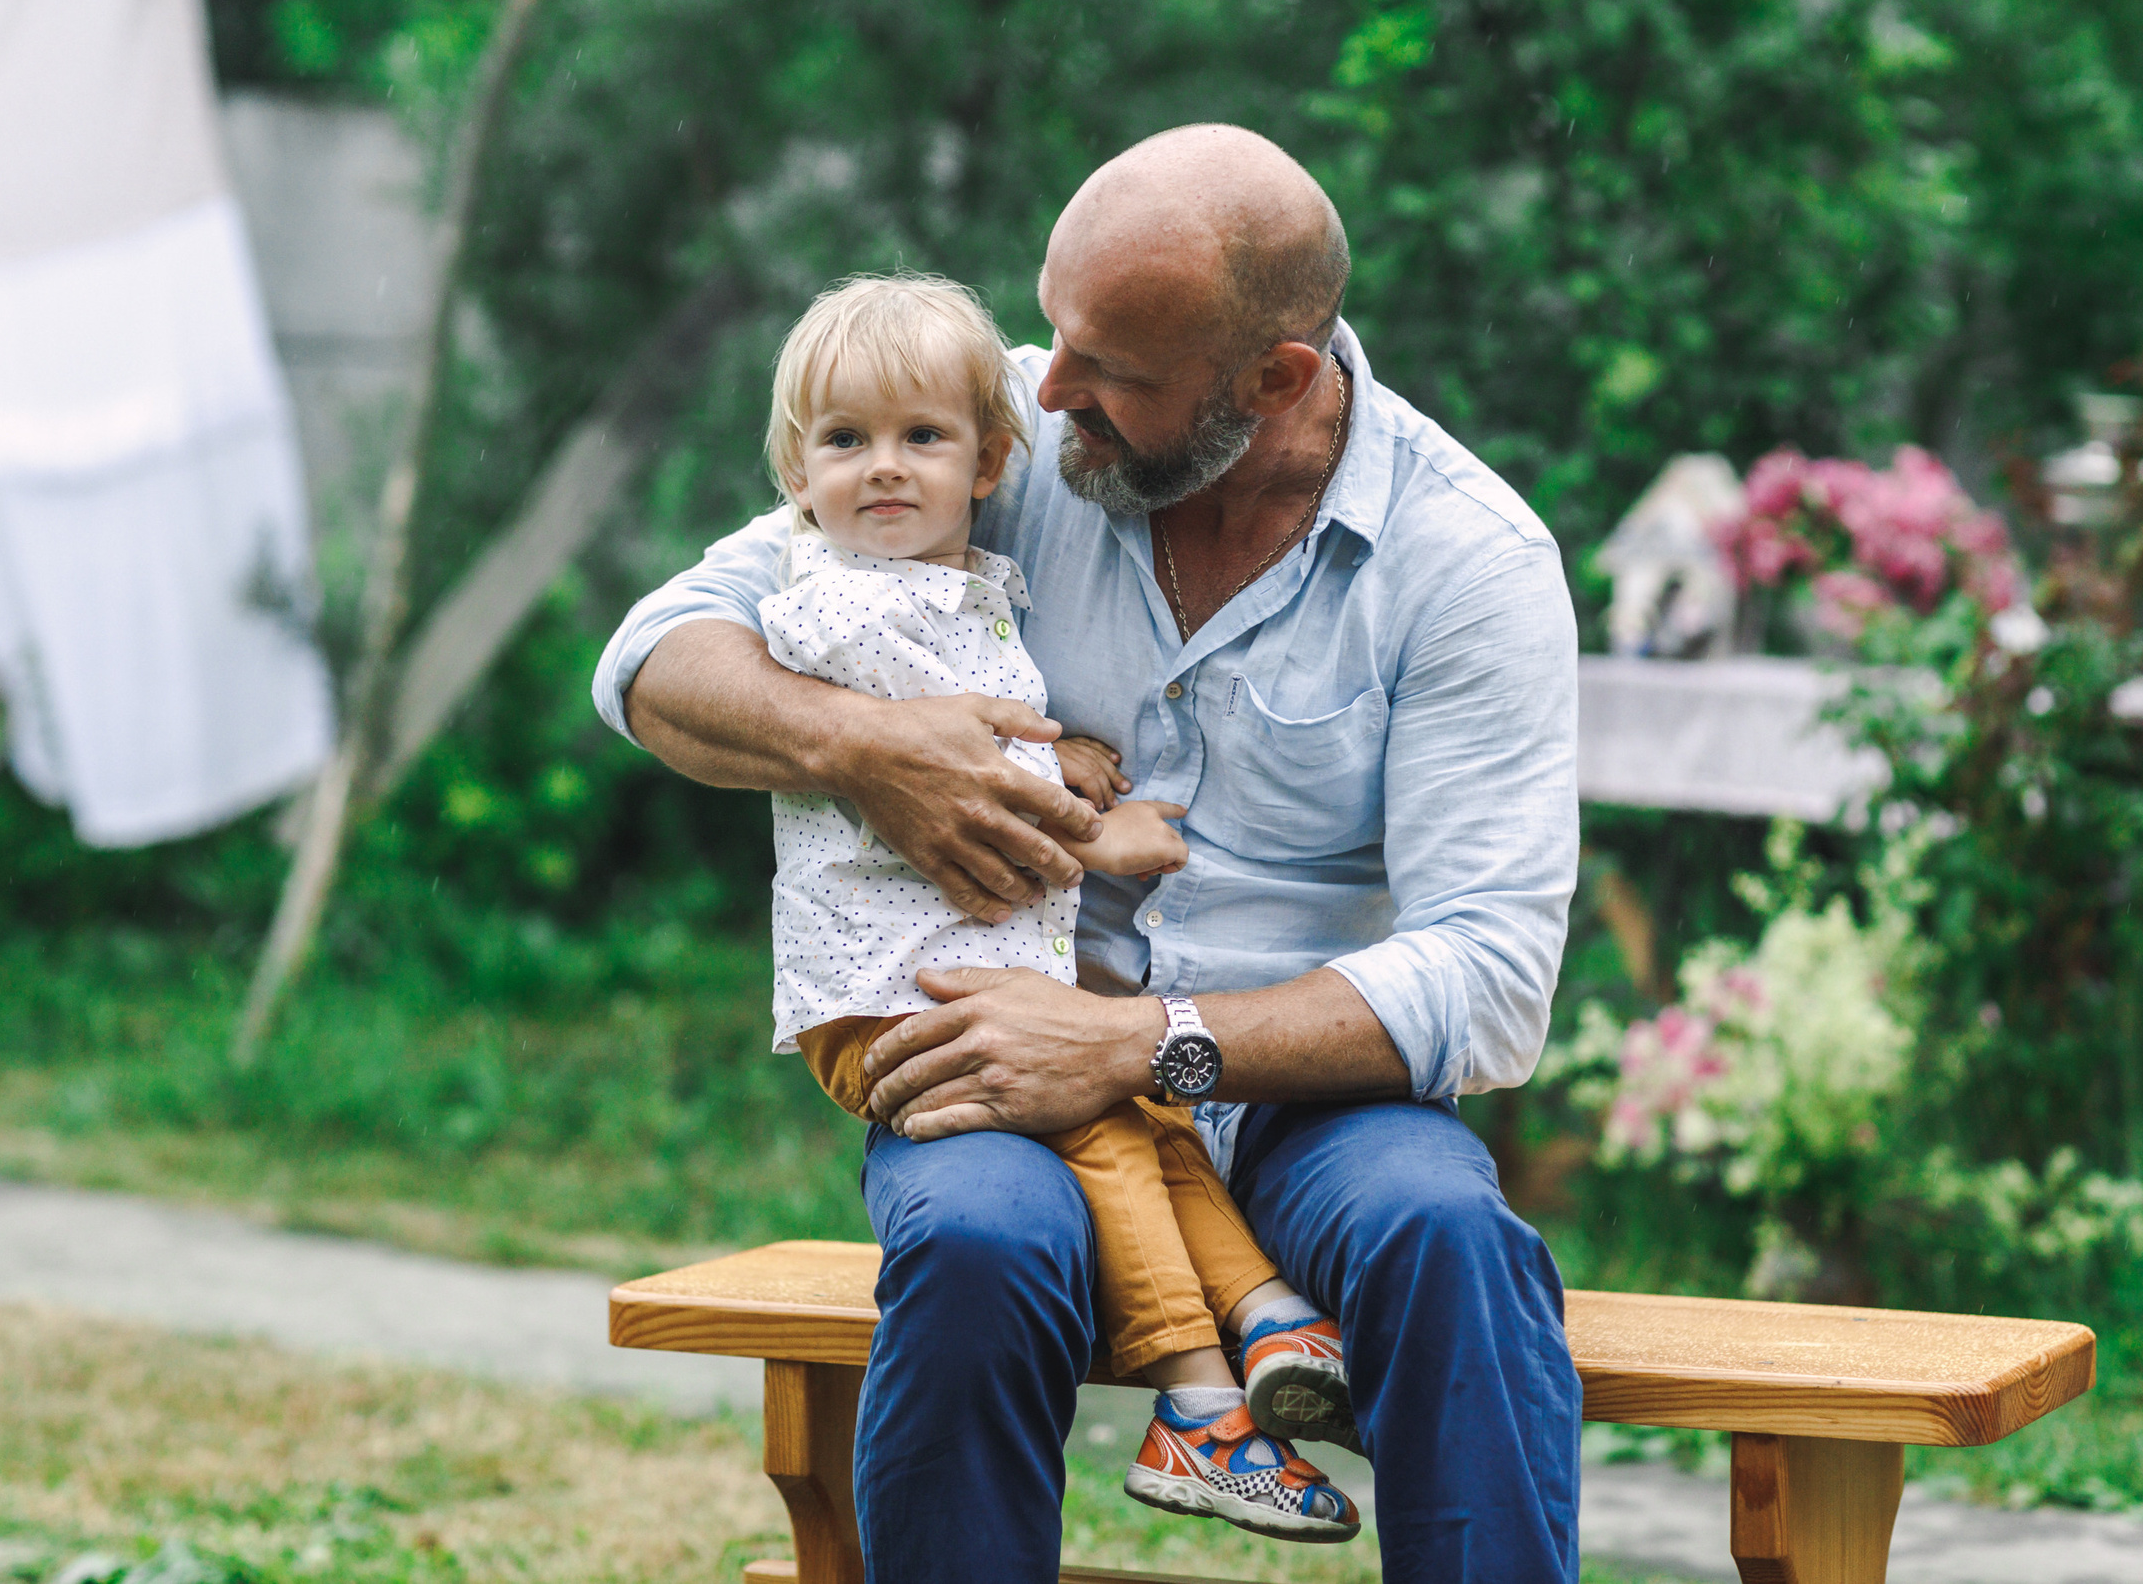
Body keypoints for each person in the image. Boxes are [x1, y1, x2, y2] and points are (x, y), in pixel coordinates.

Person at [594, 124, 1582, 1584]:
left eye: (1105, 365)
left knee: (1449, 1232)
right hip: (1001, 1076)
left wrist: (1140, 1045)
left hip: (1310, 1100)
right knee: (980, 1246)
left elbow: (1491, 980)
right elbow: (654, 656)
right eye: (1049, 333)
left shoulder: (1466, 563)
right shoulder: (985, 427)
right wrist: (862, 746)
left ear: (1277, 380)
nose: (1043, 387)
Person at [755, 272, 1362, 1542]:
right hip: (893, 997)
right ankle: (1196, 1406)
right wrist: (1102, 829)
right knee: (1104, 1127)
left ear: (990, 464)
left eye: (921, 437)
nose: (882, 469)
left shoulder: (954, 586)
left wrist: (1064, 747)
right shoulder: (843, 602)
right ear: (793, 470)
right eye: (843, 440)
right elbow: (943, 787)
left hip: (973, 974)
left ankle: (1262, 1317)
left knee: (1146, 1107)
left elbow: (982, 722)